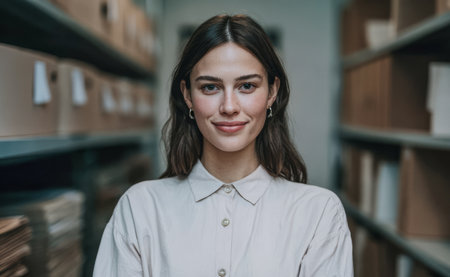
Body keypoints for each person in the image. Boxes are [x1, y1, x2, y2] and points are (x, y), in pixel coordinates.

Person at [93, 14, 353, 277]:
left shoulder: (318, 214)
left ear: (272, 92)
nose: (229, 107)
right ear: (187, 95)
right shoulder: (140, 208)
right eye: (210, 88)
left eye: (247, 86)